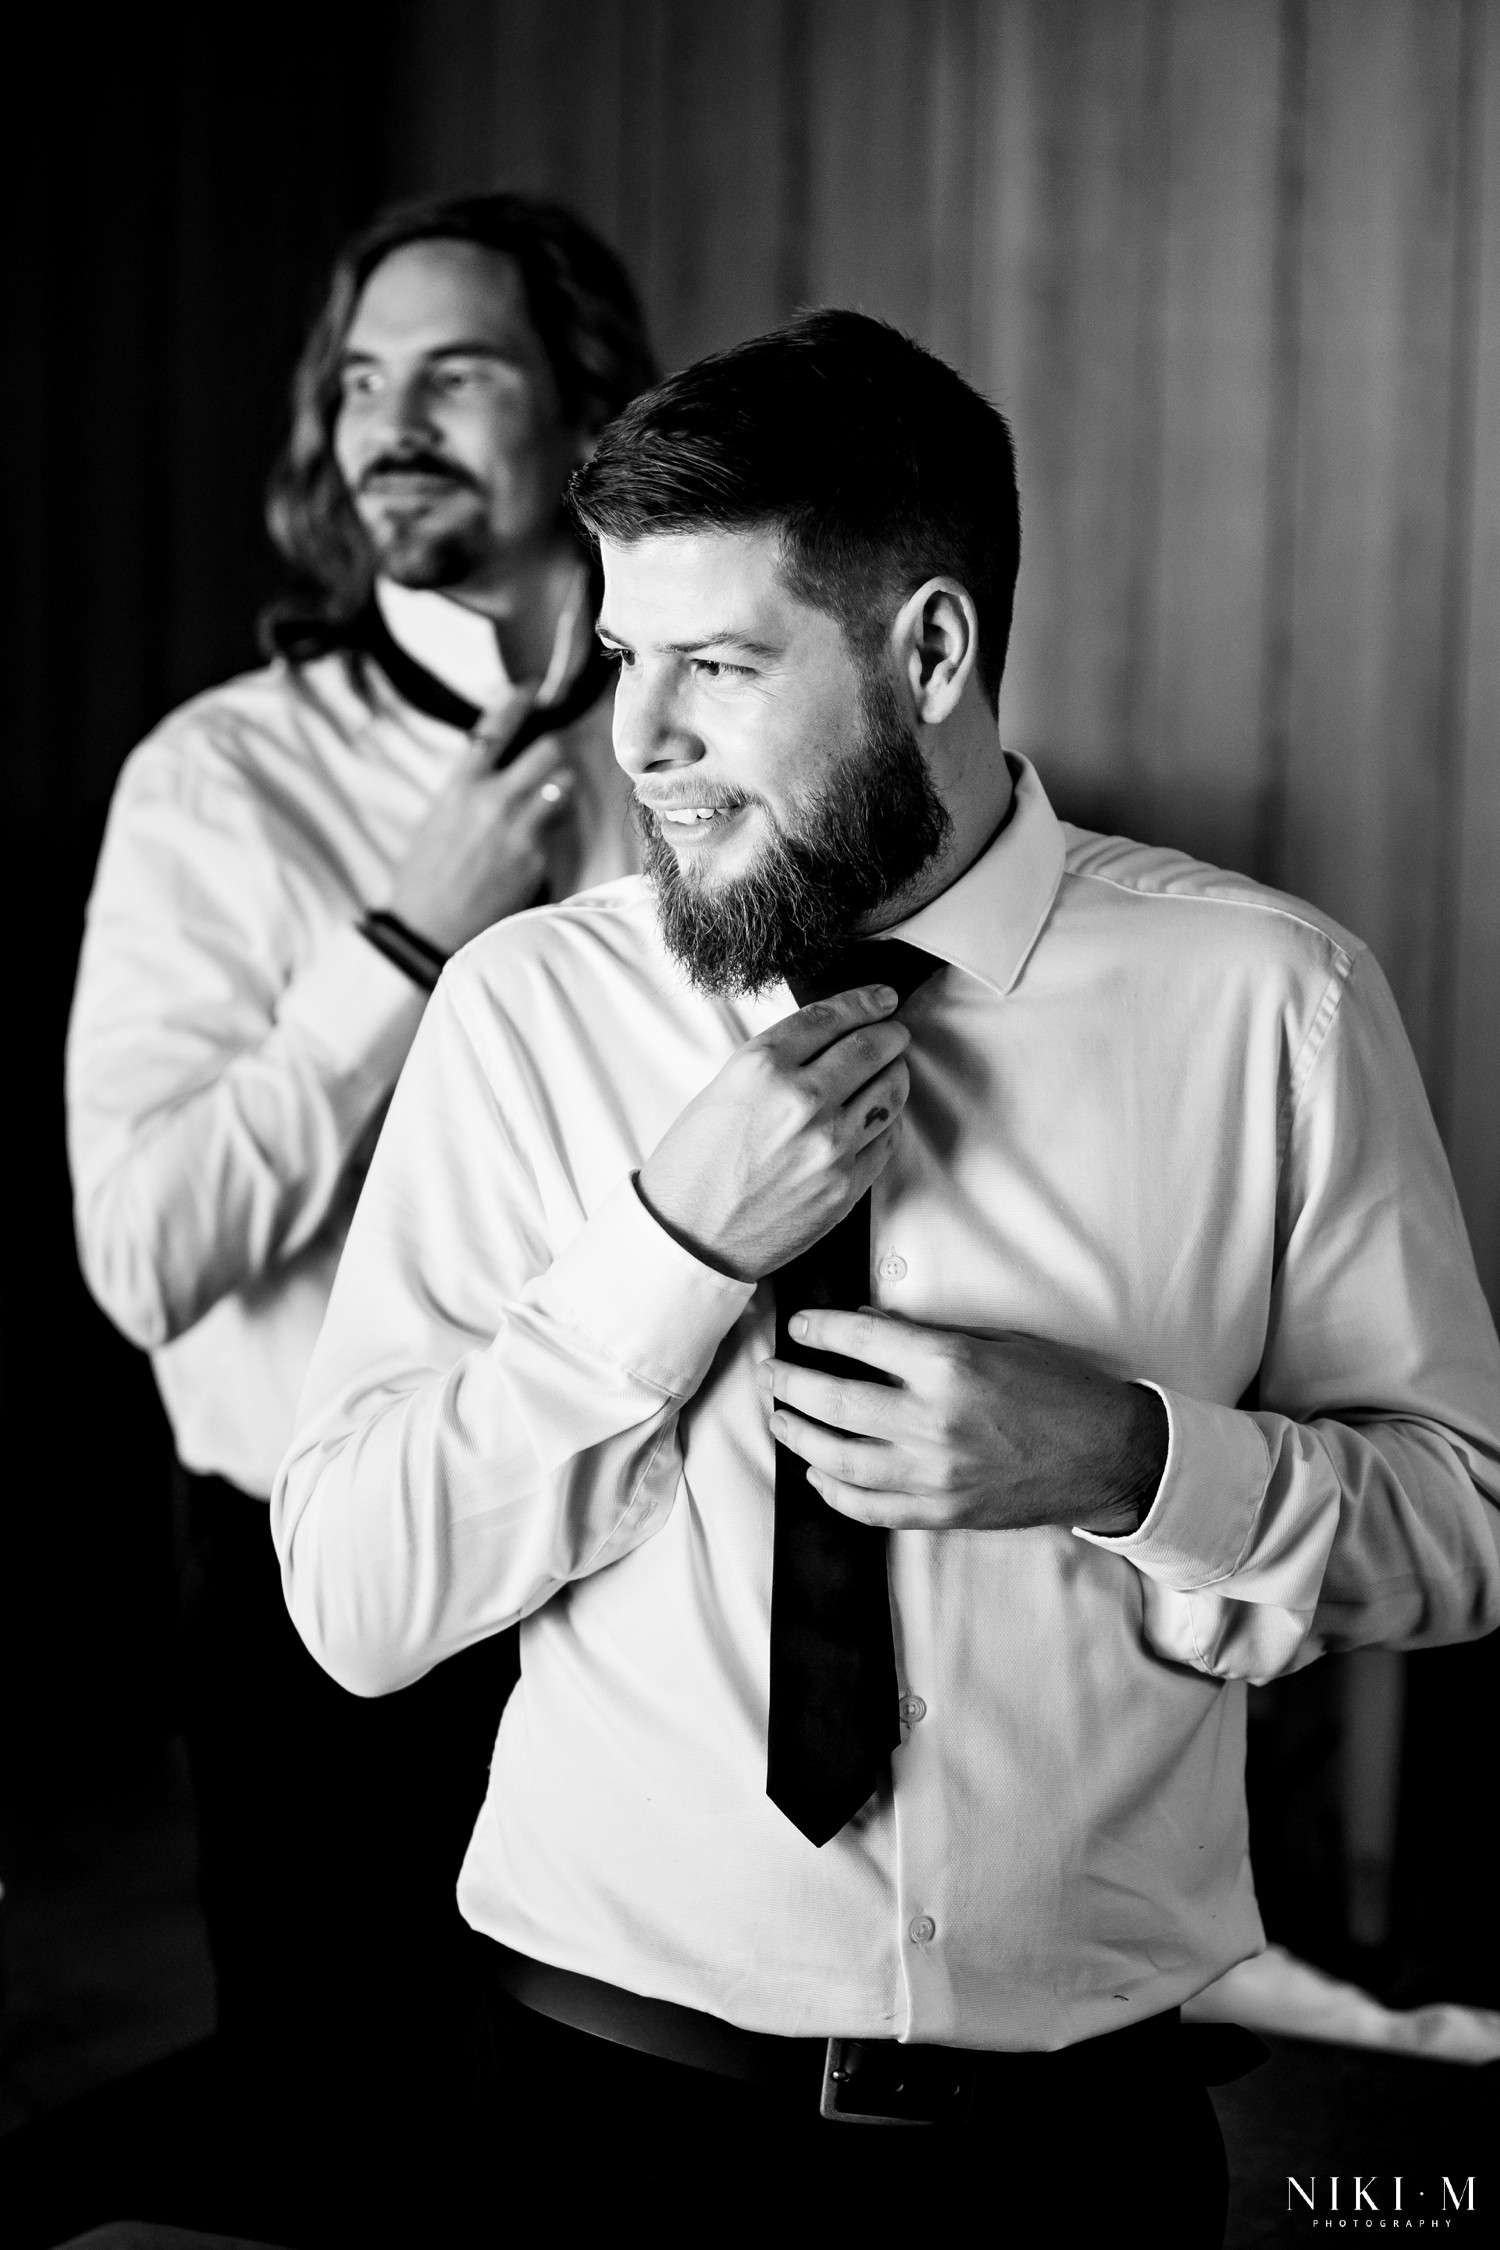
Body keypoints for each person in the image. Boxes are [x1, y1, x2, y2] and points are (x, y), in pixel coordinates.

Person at [271, 310, 1500, 2243]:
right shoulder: (526, 1010)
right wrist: (660, 1260)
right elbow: (352, 1600)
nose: (640, 740)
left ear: (930, 649)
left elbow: (1466, 1523)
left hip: (1079, 2153)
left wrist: (1131, 1464)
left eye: (717, 666)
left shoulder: (1274, 1002)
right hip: (603, 2116)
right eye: (622, 659)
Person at [64, 191, 656, 2201]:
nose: (388, 423)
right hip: (328, 1622)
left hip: (653, 1589)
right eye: (358, 383)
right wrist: (405, 944)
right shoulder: (211, 787)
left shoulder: (699, 761)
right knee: (353, 2156)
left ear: (590, 411)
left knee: (606, 2169)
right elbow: (142, 1253)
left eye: (457, 373)